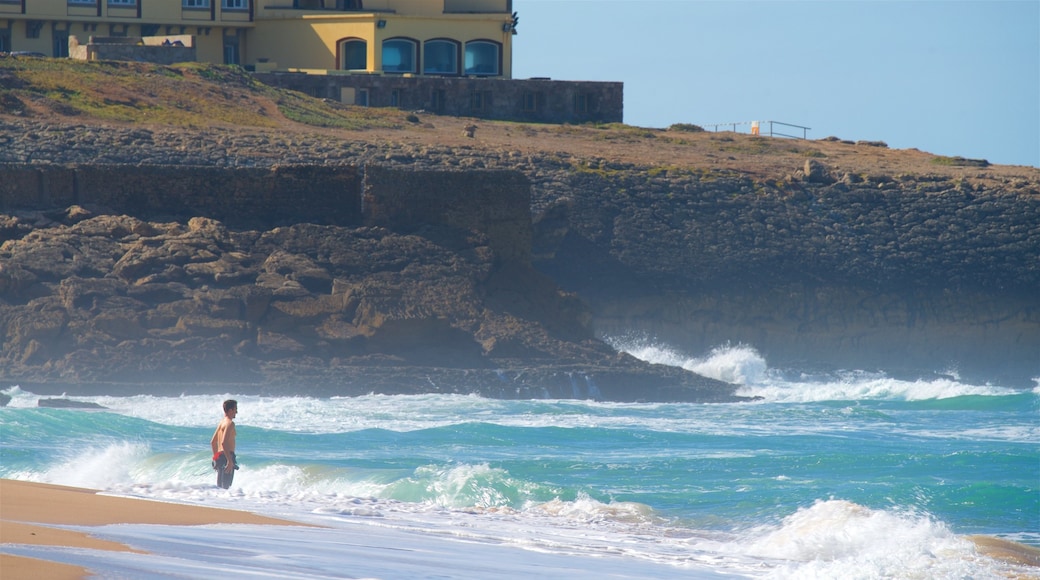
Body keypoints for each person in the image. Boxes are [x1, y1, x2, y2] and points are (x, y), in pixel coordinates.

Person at [210, 399, 238, 489]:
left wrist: (216, 459)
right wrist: (230, 461)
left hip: (221, 457)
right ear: (230, 410)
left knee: (220, 487)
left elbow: (213, 442)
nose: (236, 412)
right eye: (235, 409)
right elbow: (224, 442)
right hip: (227, 456)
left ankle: (218, 502)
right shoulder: (230, 423)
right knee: (226, 487)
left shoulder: (222, 422)